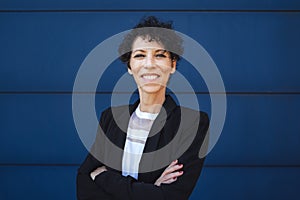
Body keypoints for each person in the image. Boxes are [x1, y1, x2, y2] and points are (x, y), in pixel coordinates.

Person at [76, 16, 209, 200]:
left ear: (172, 65)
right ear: (130, 67)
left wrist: (102, 176)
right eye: (139, 55)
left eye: (160, 55)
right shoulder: (111, 118)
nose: (149, 64)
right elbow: (84, 184)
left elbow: (170, 196)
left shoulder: (191, 123)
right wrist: (150, 189)